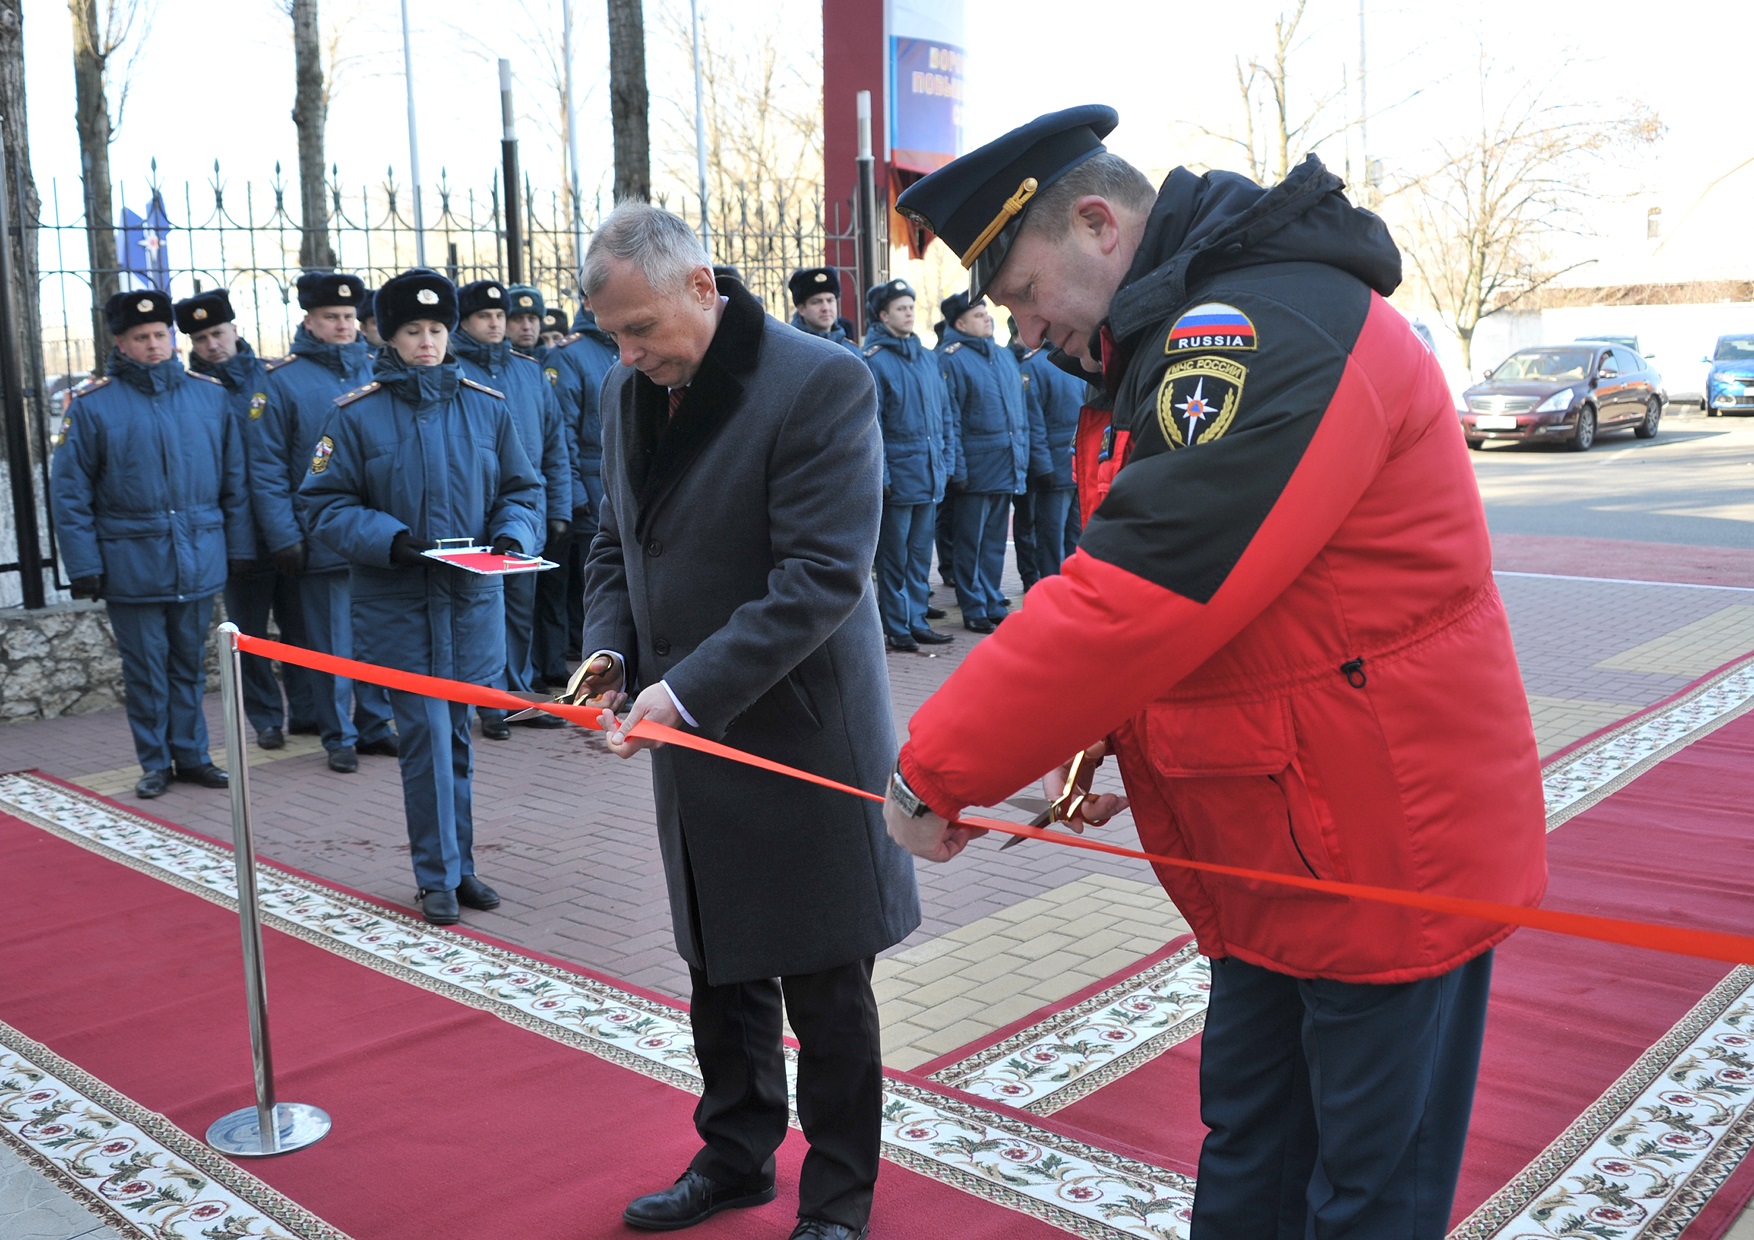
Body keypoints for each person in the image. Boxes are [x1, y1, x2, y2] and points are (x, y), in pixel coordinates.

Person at [883, 105, 1548, 1238]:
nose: (1027, 333)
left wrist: (935, 768)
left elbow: (1140, 594)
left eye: (1024, 292)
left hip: (1383, 843)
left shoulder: (1257, 330)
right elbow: (1205, 605)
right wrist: (1099, 735)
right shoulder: (1182, 331)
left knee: (1364, 1193)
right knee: (1252, 1153)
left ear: (1096, 224)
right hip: (1287, 837)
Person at [571, 202, 918, 1240]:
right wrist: (606, 658)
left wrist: (679, 691)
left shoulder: (820, 382)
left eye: (641, 330)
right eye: (613, 338)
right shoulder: (624, 391)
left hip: (798, 730)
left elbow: (819, 579)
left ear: (702, 288)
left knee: (824, 982)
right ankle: (734, 1155)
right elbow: (611, 543)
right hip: (682, 723)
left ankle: (838, 1200)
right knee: (718, 964)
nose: (629, 356)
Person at [301, 268, 543, 926]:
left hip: (468, 608)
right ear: (390, 335)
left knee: (458, 741)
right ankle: (434, 875)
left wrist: (511, 534)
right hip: (400, 607)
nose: (428, 342)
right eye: (414, 331)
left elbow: (524, 489)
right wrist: (391, 539)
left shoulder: (486, 405)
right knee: (427, 741)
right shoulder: (353, 414)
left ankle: (461, 867)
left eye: (438, 329)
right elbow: (321, 503)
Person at [51, 290, 250, 799]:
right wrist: (84, 565)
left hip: (198, 556)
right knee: (145, 671)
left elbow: (234, 481)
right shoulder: (93, 407)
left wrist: (237, 546)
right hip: (130, 561)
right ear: (121, 343)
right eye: (141, 338)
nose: (154, 345)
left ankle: (193, 755)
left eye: (160, 335)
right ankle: (155, 762)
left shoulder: (209, 396)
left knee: (190, 665)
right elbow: (70, 493)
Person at [252, 270, 398, 774]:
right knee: (331, 646)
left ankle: (376, 726)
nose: (342, 326)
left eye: (348, 317)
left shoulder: (380, 370)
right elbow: (267, 468)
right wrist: (285, 536)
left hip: (376, 534)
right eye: (330, 317)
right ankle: (339, 735)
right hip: (320, 536)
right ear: (309, 321)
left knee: (375, 639)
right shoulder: (281, 382)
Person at [177, 288, 319, 748]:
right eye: (200, 339)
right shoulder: (193, 393)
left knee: (300, 629)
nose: (212, 345)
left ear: (235, 330)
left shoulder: (274, 377)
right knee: (248, 636)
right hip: (234, 538)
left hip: (286, 529)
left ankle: (307, 710)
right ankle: (265, 719)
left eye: (218, 333)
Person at [451, 279, 573, 738]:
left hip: (523, 512)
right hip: (471, 512)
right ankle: (485, 701)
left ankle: (515, 697)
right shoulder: (453, 368)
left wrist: (558, 508)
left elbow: (554, 446)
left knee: (520, 610)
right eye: (486, 317)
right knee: (477, 614)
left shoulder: (529, 371)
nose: (497, 324)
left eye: (499, 316)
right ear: (464, 322)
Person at [859, 277, 956, 652]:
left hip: (928, 474)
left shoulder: (927, 358)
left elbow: (945, 416)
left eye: (911, 307)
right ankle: (898, 626)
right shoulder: (875, 362)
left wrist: (946, 464)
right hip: (899, 477)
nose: (909, 313)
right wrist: (881, 476)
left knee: (919, 557)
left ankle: (916, 619)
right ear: (883, 316)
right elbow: (874, 426)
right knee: (895, 559)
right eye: (901, 308)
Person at [937, 291, 1039, 632]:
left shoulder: (1004, 357)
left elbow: (1018, 416)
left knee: (995, 540)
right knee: (971, 541)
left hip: (1005, 463)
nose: (987, 318)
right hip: (976, 468)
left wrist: (1021, 460)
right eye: (978, 315)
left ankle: (992, 597)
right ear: (960, 323)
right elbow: (951, 419)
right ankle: (974, 605)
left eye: (986, 313)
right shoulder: (951, 359)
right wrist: (959, 471)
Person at [543, 296, 618, 684]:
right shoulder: (570, 356)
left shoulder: (631, 342)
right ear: (589, 300)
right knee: (600, 587)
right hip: (593, 489)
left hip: (630, 485)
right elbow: (562, 433)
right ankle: (596, 673)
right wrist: (574, 494)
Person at [1014, 323, 1084, 582]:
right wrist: (1043, 467)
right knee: (1051, 538)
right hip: (1055, 468)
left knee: (1074, 536)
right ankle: (1052, 587)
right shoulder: (1034, 366)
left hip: (1075, 465)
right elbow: (1034, 423)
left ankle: (1071, 588)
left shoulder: (1076, 359)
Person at [787, 267, 858, 353]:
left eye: (830, 300)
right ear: (801, 309)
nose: (825, 308)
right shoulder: (792, 351)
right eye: (816, 302)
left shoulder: (852, 350)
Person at [504, 284, 548, 358]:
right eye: (518, 319)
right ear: (505, 324)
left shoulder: (554, 360)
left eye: (532, 319)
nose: (526, 327)